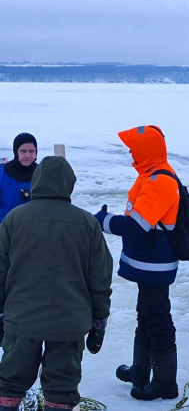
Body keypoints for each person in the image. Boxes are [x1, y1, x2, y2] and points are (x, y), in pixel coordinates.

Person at [0, 156, 113, 411]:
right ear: (69, 184)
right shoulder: (87, 223)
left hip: (21, 319)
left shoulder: (14, 219)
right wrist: (99, 323)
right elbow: (100, 278)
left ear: (37, 181)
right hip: (69, 322)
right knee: (61, 387)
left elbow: (0, 271)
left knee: (9, 383)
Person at [94, 125, 180, 401]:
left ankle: (165, 383)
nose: (131, 152)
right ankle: (141, 371)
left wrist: (103, 222)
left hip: (155, 265)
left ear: (146, 150)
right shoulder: (150, 175)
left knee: (157, 319)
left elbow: (138, 224)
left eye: (134, 148)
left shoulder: (159, 180)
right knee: (146, 316)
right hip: (149, 263)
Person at [0, 133, 38, 223]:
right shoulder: (2, 174)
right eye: (23, 151)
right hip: (4, 230)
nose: (27, 155)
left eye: (31, 151)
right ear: (16, 152)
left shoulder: (43, 174)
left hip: (33, 230)